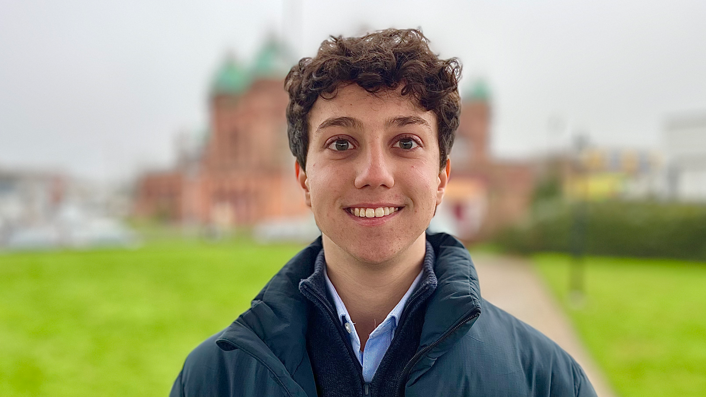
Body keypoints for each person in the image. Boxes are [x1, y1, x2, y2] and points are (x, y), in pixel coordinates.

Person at [170, 28, 597, 397]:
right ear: (303, 178)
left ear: (442, 177)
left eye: (406, 142)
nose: (374, 175)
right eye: (341, 143)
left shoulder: (546, 381)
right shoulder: (213, 379)